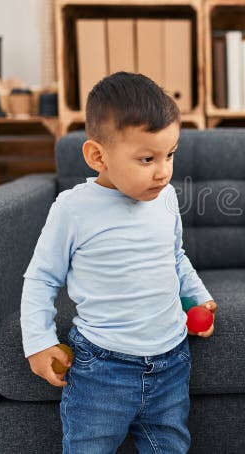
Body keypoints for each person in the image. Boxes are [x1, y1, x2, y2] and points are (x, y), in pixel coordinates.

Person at [20, 72, 216, 452]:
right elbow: (41, 279)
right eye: (147, 159)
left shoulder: (165, 198)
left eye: (170, 155)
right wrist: (39, 342)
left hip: (172, 359)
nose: (163, 171)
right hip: (102, 367)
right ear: (98, 156)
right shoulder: (73, 209)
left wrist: (198, 297)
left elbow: (175, 256)